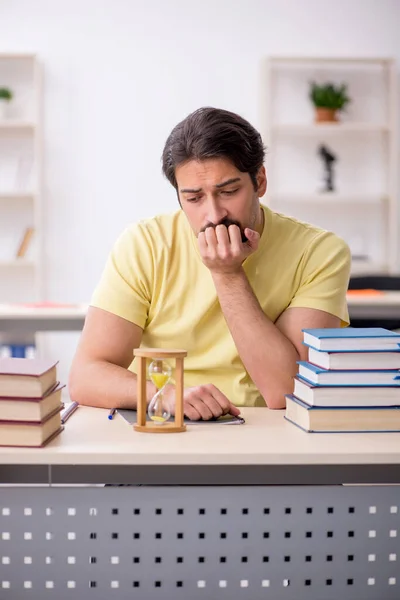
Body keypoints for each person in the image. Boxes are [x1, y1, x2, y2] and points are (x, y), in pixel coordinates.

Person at [69, 107, 350, 419]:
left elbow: (288, 391)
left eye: (228, 191)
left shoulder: (320, 251)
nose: (214, 215)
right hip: (162, 422)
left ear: (260, 180)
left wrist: (227, 274)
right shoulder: (145, 243)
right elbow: (85, 376)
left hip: (264, 429)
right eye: (194, 198)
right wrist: (167, 395)